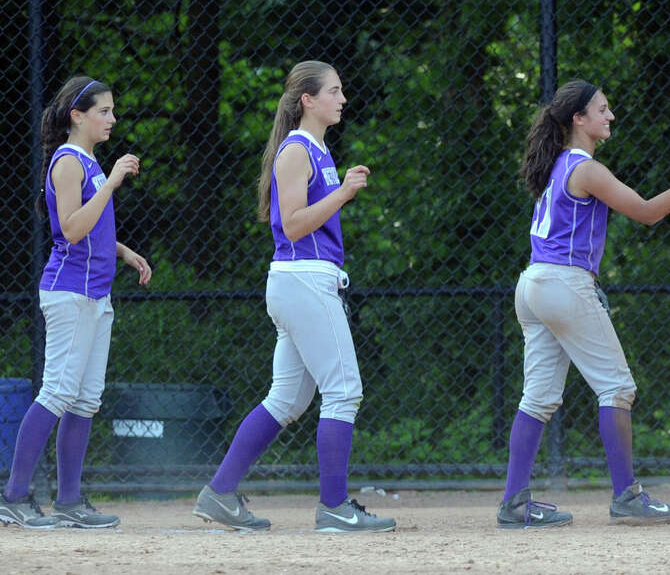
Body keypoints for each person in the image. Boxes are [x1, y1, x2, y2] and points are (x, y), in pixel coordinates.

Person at [497, 79, 670, 528]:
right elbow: (648, 212)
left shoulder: (557, 164)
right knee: (617, 388)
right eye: (601, 109)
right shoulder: (585, 168)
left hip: (534, 283)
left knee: (538, 398)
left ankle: (515, 502)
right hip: (562, 282)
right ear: (578, 119)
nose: (610, 116)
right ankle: (627, 496)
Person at [192, 61, 395, 533]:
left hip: (302, 281)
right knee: (344, 391)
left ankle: (220, 493)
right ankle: (334, 507)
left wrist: (339, 190)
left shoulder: (315, 149)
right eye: (333, 91)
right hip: (304, 279)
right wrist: (343, 193)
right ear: (308, 99)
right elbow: (294, 224)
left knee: (286, 400)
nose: (342, 99)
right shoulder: (297, 149)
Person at [0, 77, 151, 530]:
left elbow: (92, 226)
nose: (112, 118)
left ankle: (69, 501)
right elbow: (70, 229)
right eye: (103, 111)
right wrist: (114, 181)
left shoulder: (87, 161)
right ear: (77, 116)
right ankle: (14, 497)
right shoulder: (69, 161)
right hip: (70, 292)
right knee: (58, 392)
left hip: (94, 293)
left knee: (85, 399)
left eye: (112, 110)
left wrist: (123, 251)